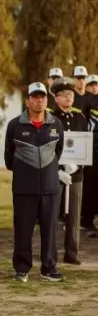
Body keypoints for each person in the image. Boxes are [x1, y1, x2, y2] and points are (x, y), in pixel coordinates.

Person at [5, 82, 64, 282]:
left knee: (49, 229)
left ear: (46, 100)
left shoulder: (56, 124)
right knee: (23, 230)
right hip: (24, 188)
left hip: (49, 188)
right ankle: (22, 268)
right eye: (35, 97)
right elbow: (8, 158)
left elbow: (58, 152)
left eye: (43, 97)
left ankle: (49, 267)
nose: (39, 100)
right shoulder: (15, 125)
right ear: (27, 101)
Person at [50, 77, 87, 264]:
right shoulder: (51, 119)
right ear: (56, 98)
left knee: (74, 215)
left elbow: (84, 147)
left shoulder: (80, 118)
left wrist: (76, 166)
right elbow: (47, 147)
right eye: (63, 95)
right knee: (52, 214)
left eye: (70, 94)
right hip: (55, 174)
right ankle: (51, 253)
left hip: (75, 174)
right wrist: (57, 168)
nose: (67, 98)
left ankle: (71, 253)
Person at [81, 74, 98, 236]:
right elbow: (81, 124)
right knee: (90, 186)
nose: (94, 86)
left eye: (96, 84)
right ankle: (87, 221)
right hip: (92, 149)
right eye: (91, 84)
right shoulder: (89, 102)